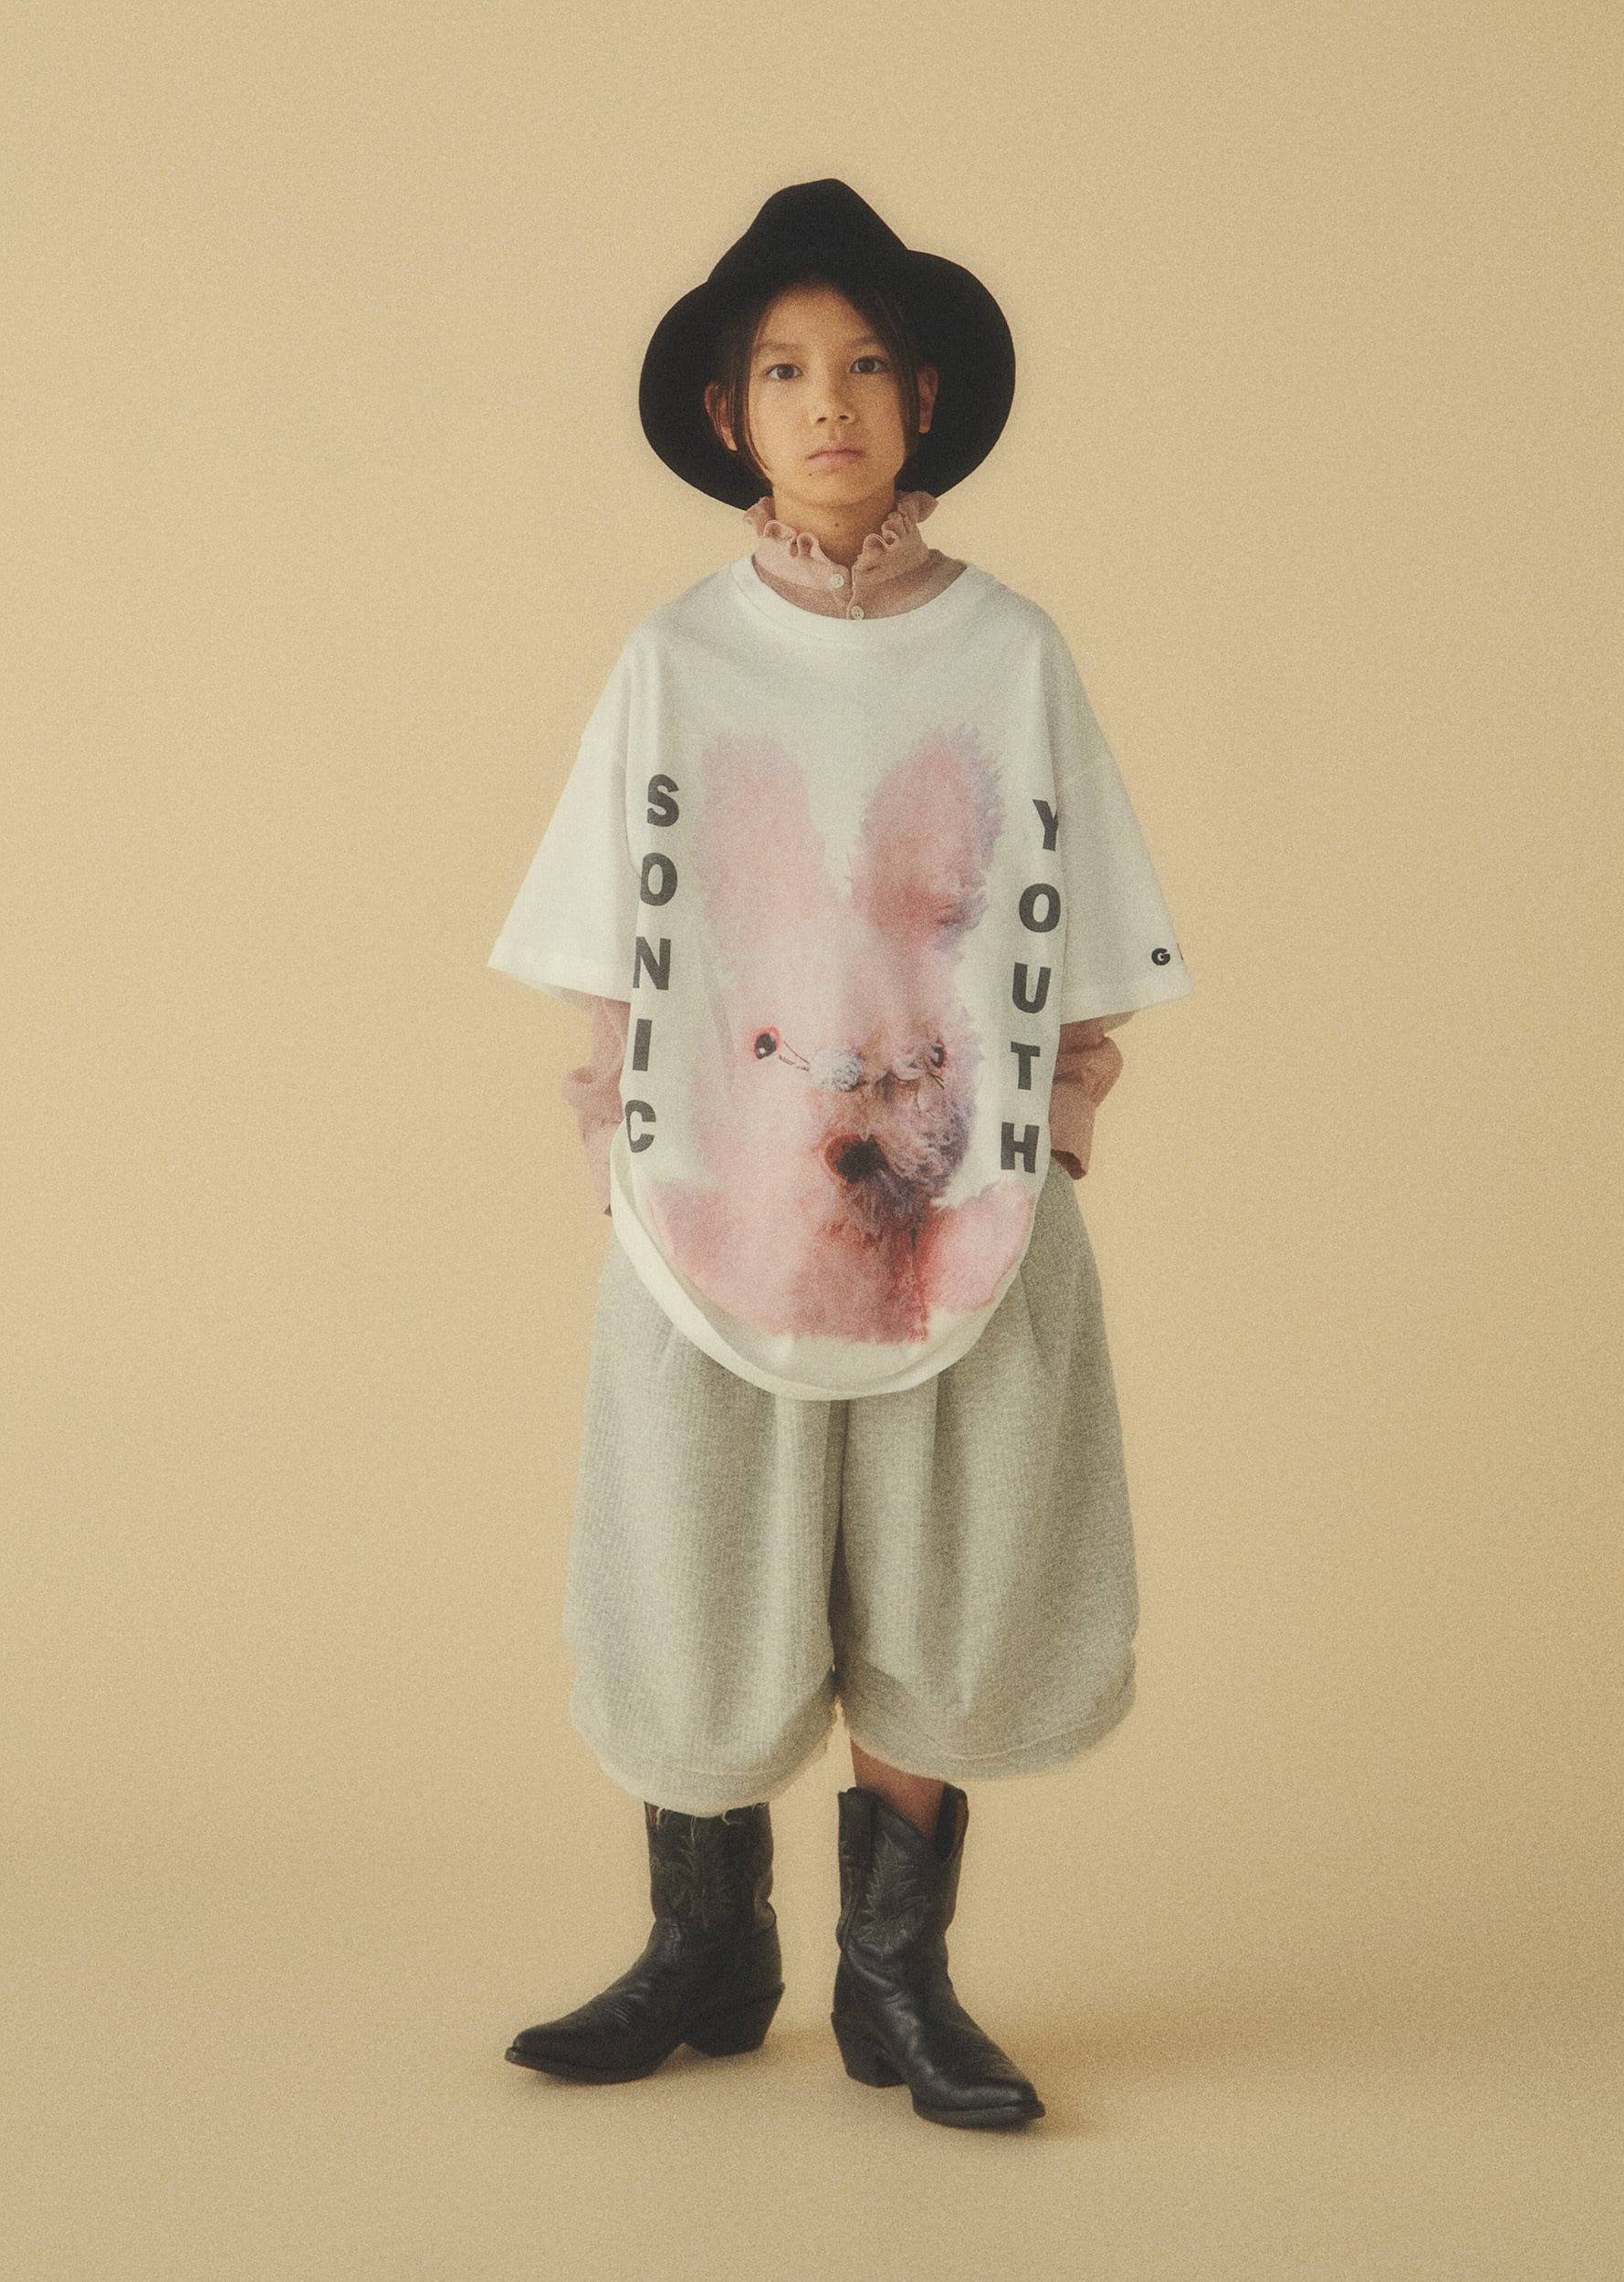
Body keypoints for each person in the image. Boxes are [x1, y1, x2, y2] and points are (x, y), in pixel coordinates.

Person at [486, 180, 1194, 2130]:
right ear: (731, 413)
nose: (828, 404)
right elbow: (621, 960)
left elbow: (1070, 938)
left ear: (923, 397)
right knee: (694, 1554)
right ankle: (703, 1945)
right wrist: (638, 1159)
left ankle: (897, 1973)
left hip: (957, 1204)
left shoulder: (1010, 653)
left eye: (866, 364)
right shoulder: (674, 658)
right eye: (786, 369)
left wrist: (1040, 1145)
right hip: (718, 1199)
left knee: (946, 1566)